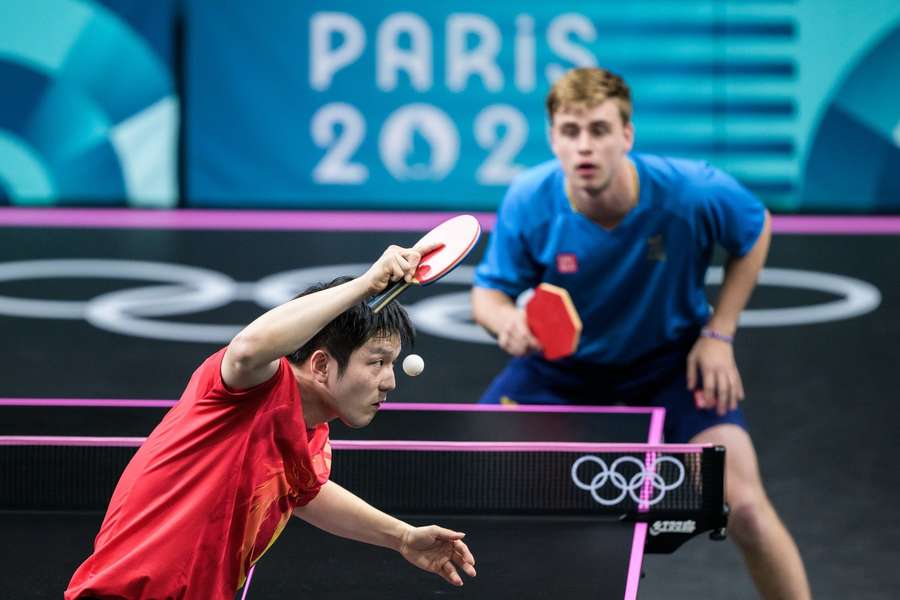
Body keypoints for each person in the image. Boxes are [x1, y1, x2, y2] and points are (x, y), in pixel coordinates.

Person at [471, 67, 810, 598]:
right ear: (552, 137)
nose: (585, 146)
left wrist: (719, 334)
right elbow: (487, 295)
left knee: (744, 507)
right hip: (559, 373)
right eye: (571, 131)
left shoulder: (691, 191)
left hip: (670, 366)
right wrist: (506, 322)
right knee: (471, 486)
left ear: (627, 135)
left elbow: (756, 226)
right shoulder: (529, 200)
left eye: (600, 130)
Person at [65, 244, 477, 599]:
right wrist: (365, 286)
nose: (389, 381)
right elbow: (246, 348)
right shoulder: (248, 390)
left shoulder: (311, 434)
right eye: (377, 362)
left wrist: (401, 537)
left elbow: (307, 492)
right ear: (320, 366)